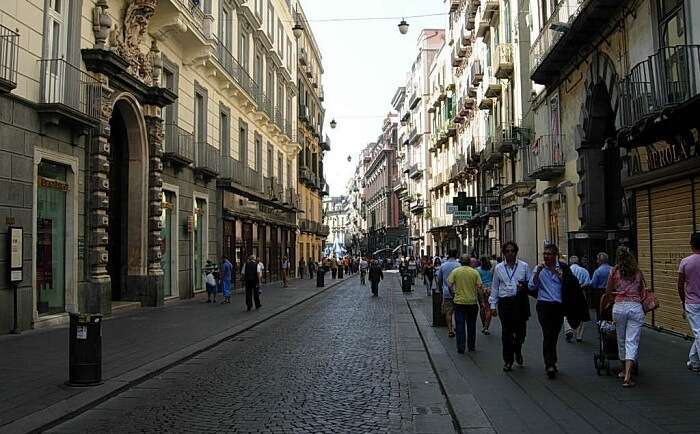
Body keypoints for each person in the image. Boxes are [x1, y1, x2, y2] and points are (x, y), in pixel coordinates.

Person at [529, 244, 589, 379]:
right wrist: (537, 273)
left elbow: (571, 284)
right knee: (547, 333)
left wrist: (559, 275)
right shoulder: (539, 269)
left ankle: (552, 360)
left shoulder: (563, 268)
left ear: (555, 255)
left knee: (554, 334)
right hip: (544, 305)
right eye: (544, 254)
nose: (546, 256)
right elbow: (532, 286)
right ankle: (549, 364)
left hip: (558, 306)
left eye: (549, 254)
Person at [607, 246, 647, 387]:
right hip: (635, 307)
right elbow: (642, 291)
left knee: (621, 339)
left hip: (619, 307)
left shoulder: (614, 272)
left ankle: (623, 370)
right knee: (632, 341)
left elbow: (608, 291)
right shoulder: (637, 272)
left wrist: (611, 302)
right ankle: (628, 375)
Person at [490, 242, 532, 371]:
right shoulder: (499, 268)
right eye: (507, 251)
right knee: (506, 333)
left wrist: (523, 286)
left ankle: (517, 349)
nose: (510, 253)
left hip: (520, 302)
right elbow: (495, 287)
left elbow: (530, 285)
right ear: (503, 253)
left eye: (512, 251)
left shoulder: (524, 266)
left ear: (516, 252)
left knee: (521, 333)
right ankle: (508, 360)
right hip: (505, 303)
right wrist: (492, 305)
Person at [448, 254, 484, 353]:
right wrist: (482, 302)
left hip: (459, 302)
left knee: (460, 325)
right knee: (471, 325)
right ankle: (471, 346)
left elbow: (450, 285)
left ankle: (461, 347)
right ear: (469, 262)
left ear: (460, 262)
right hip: (472, 302)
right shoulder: (474, 272)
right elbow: (480, 288)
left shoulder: (455, 272)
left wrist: (453, 294)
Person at [678, 232, 700, 373]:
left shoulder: (685, 262)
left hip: (692, 302)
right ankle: (694, 362)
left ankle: (695, 362)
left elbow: (680, 285)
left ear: (691, 244)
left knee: (698, 334)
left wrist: (683, 301)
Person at [564, 255, 591, 343]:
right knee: (581, 313)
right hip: (581, 293)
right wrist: (580, 287)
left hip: (568, 294)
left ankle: (569, 329)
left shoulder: (567, 271)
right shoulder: (584, 271)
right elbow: (588, 282)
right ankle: (579, 336)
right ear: (578, 262)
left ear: (570, 262)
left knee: (567, 312)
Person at [437, 250, 461, 339]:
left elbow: (439, 279)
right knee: (457, 312)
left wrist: (440, 289)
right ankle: (457, 327)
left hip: (446, 292)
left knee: (448, 312)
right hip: (457, 292)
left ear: (448, 255)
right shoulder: (459, 265)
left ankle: (450, 330)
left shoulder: (443, 265)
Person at [590, 252, 613, 320]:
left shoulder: (597, 271)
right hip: (612, 292)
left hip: (600, 292)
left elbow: (594, 284)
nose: (596, 261)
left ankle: (601, 323)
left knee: (600, 310)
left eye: (597, 259)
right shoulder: (613, 269)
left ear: (600, 261)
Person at [477, 256, 493, 335]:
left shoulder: (478, 270)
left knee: (482, 307)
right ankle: (486, 327)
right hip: (490, 290)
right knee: (489, 309)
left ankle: (484, 325)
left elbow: (477, 281)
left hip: (481, 289)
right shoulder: (491, 270)